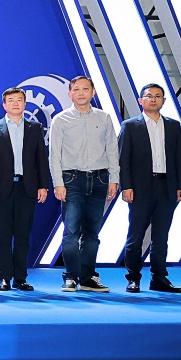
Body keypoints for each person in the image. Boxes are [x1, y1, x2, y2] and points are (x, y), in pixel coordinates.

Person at [49, 76, 119, 293]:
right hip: (71, 180)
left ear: (93, 92)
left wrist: (114, 179)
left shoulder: (104, 117)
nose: (81, 93)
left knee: (92, 234)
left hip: (100, 179)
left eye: (85, 89)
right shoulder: (61, 119)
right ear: (70, 93)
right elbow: (54, 155)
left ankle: (88, 277)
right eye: (76, 89)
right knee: (71, 232)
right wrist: (58, 183)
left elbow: (112, 150)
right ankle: (70, 276)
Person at [120, 83, 181, 294]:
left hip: (167, 187)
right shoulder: (130, 126)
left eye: (158, 96)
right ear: (141, 100)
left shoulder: (173, 126)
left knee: (161, 236)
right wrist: (126, 186)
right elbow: (124, 160)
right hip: (140, 188)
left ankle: (159, 278)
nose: (153, 99)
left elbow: (179, 158)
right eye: (149, 96)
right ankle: (133, 278)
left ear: (163, 101)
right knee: (136, 236)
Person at [0, 87, 50, 292]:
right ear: (4, 105)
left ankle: (21, 277)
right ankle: (4, 277)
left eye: (19, 100)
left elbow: (41, 159)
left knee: (22, 235)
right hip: (1, 189)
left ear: (25, 103)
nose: (15, 103)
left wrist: (43, 185)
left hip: (27, 188)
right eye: (11, 100)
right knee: (3, 235)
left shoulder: (34, 128)